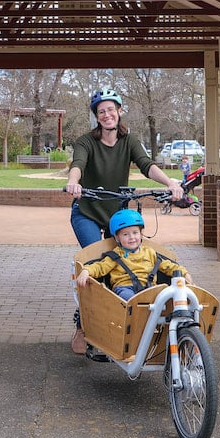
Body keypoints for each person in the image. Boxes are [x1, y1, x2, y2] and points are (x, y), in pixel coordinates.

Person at [63, 88, 184, 355]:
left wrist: (170, 182)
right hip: (88, 211)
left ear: (119, 111)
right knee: (97, 264)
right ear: (96, 116)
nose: (107, 115)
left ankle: (120, 323)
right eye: (101, 111)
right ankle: (83, 326)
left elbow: (146, 164)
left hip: (117, 213)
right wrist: (74, 182)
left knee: (127, 262)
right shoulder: (86, 141)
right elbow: (78, 163)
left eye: (111, 109)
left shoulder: (129, 140)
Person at [76, 209, 192, 300]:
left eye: (135, 233)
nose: (131, 237)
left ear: (141, 234)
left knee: (169, 295)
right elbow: (100, 267)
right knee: (128, 298)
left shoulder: (149, 252)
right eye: (125, 234)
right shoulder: (115, 255)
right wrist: (86, 271)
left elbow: (168, 266)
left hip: (150, 289)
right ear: (117, 237)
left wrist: (183, 272)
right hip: (125, 288)